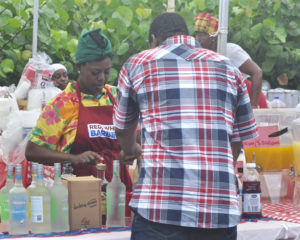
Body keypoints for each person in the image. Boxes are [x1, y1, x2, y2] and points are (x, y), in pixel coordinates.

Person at [113, 12, 258, 240]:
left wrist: (130, 150)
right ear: (187, 35)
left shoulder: (138, 63)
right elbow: (238, 138)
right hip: (218, 212)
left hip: (159, 211)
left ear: (154, 39)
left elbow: (122, 128)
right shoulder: (229, 68)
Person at [25, 28, 132, 191]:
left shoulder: (117, 97)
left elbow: (135, 137)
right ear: (79, 66)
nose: (102, 78)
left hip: (118, 194)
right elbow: (33, 151)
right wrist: (72, 158)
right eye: (95, 72)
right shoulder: (63, 104)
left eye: (106, 71)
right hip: (79, 198)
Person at [194, 13, 268, 109]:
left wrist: (253, 105)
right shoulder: (202, 55)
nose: (198, 39)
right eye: (196, 35)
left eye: (202, 35)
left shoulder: (230, 50)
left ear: (214, 37)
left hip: (248, 97)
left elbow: (257, 72)